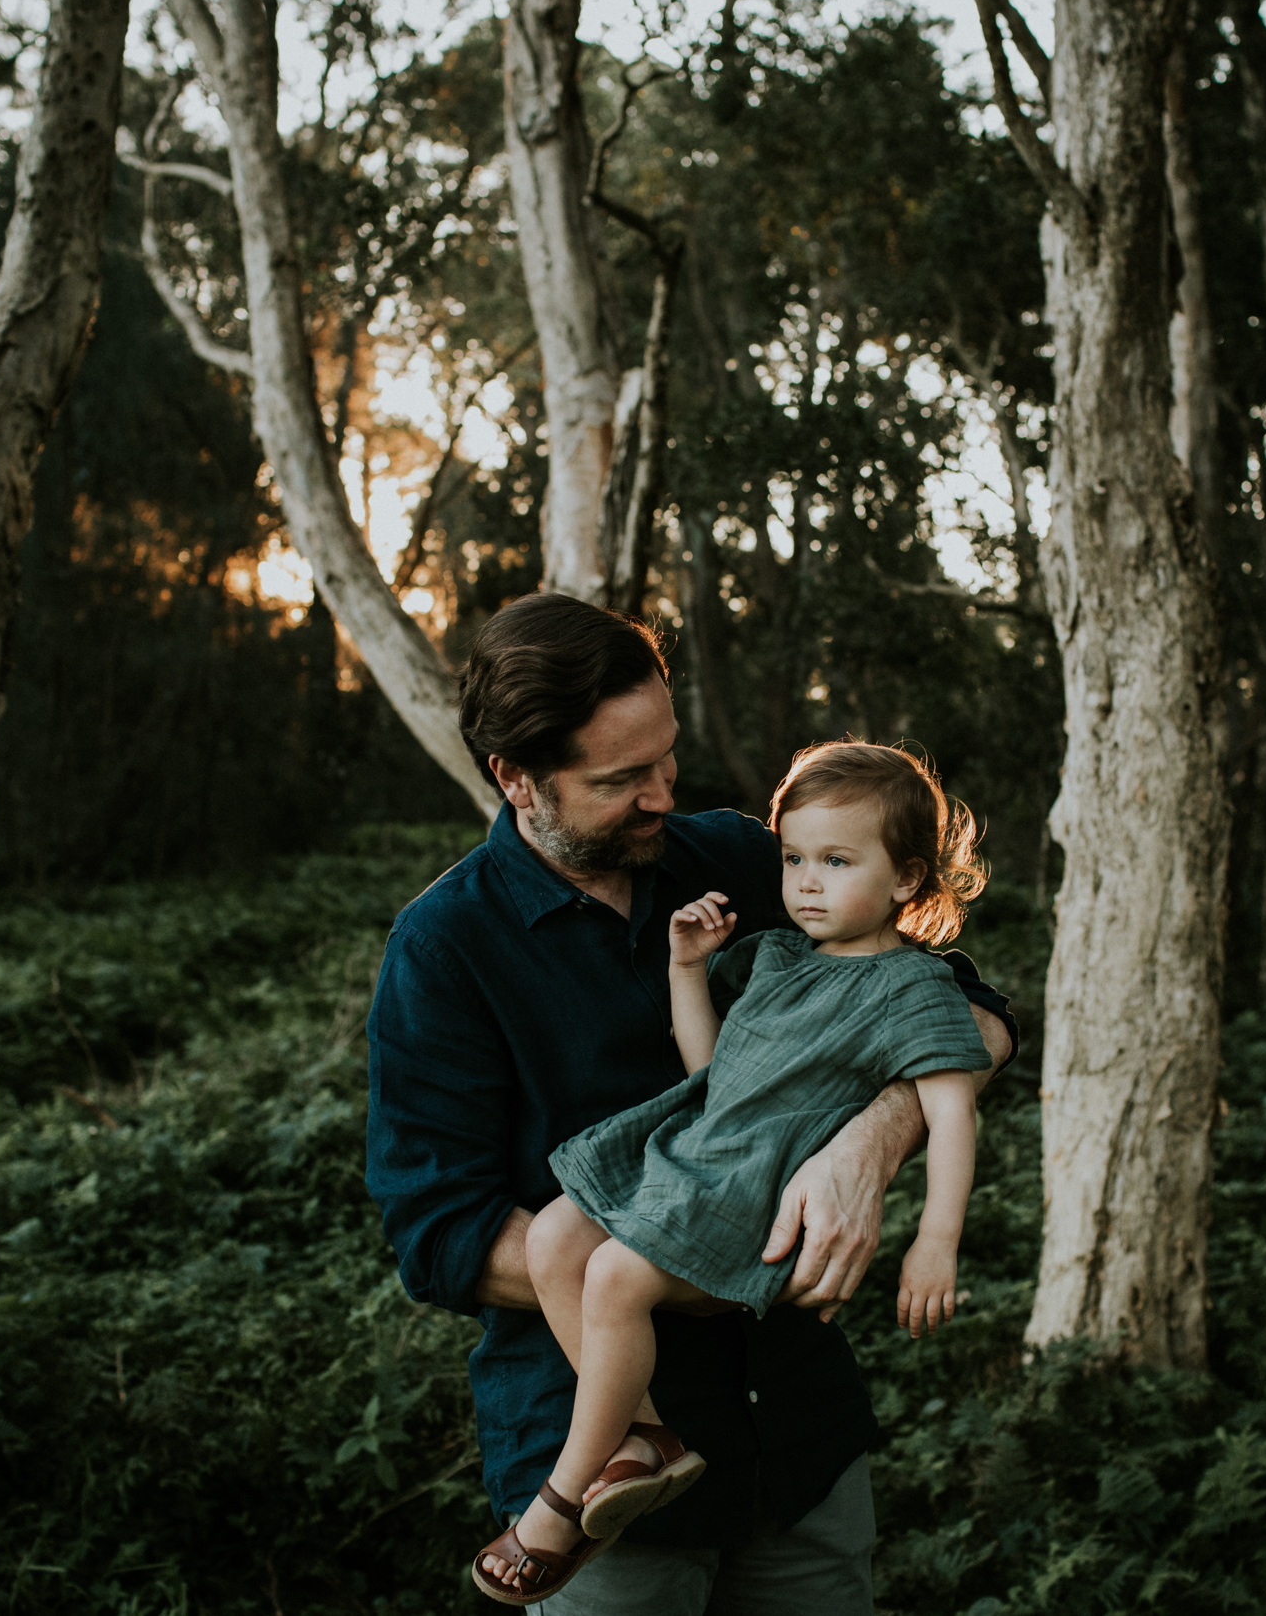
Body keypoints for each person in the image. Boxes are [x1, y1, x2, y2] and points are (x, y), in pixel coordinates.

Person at [365, 594, 1015, 1614]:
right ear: (516, 777)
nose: (662, 793)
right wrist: (684, 1264)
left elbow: (970, 1009)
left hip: (795, 1433)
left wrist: (871, 1140)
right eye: (621, 778)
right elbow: (439, 1231)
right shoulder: (444, 951)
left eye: (666, 758)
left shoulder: (747, 860)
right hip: (603, 1482)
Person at [468, 741, 996, 1604]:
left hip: (751, 1194)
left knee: (611, 1277)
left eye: (835, 861)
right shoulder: (779, 957)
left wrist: (936, 1241)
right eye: (792, 859)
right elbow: (714, 1070)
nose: (805, 883)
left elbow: (949, 1111)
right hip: (694, 1154)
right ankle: (646, 1437)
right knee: (557, 1234)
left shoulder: (912, 987)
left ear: (906, 879)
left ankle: (564, 1495)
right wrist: (686, 968)